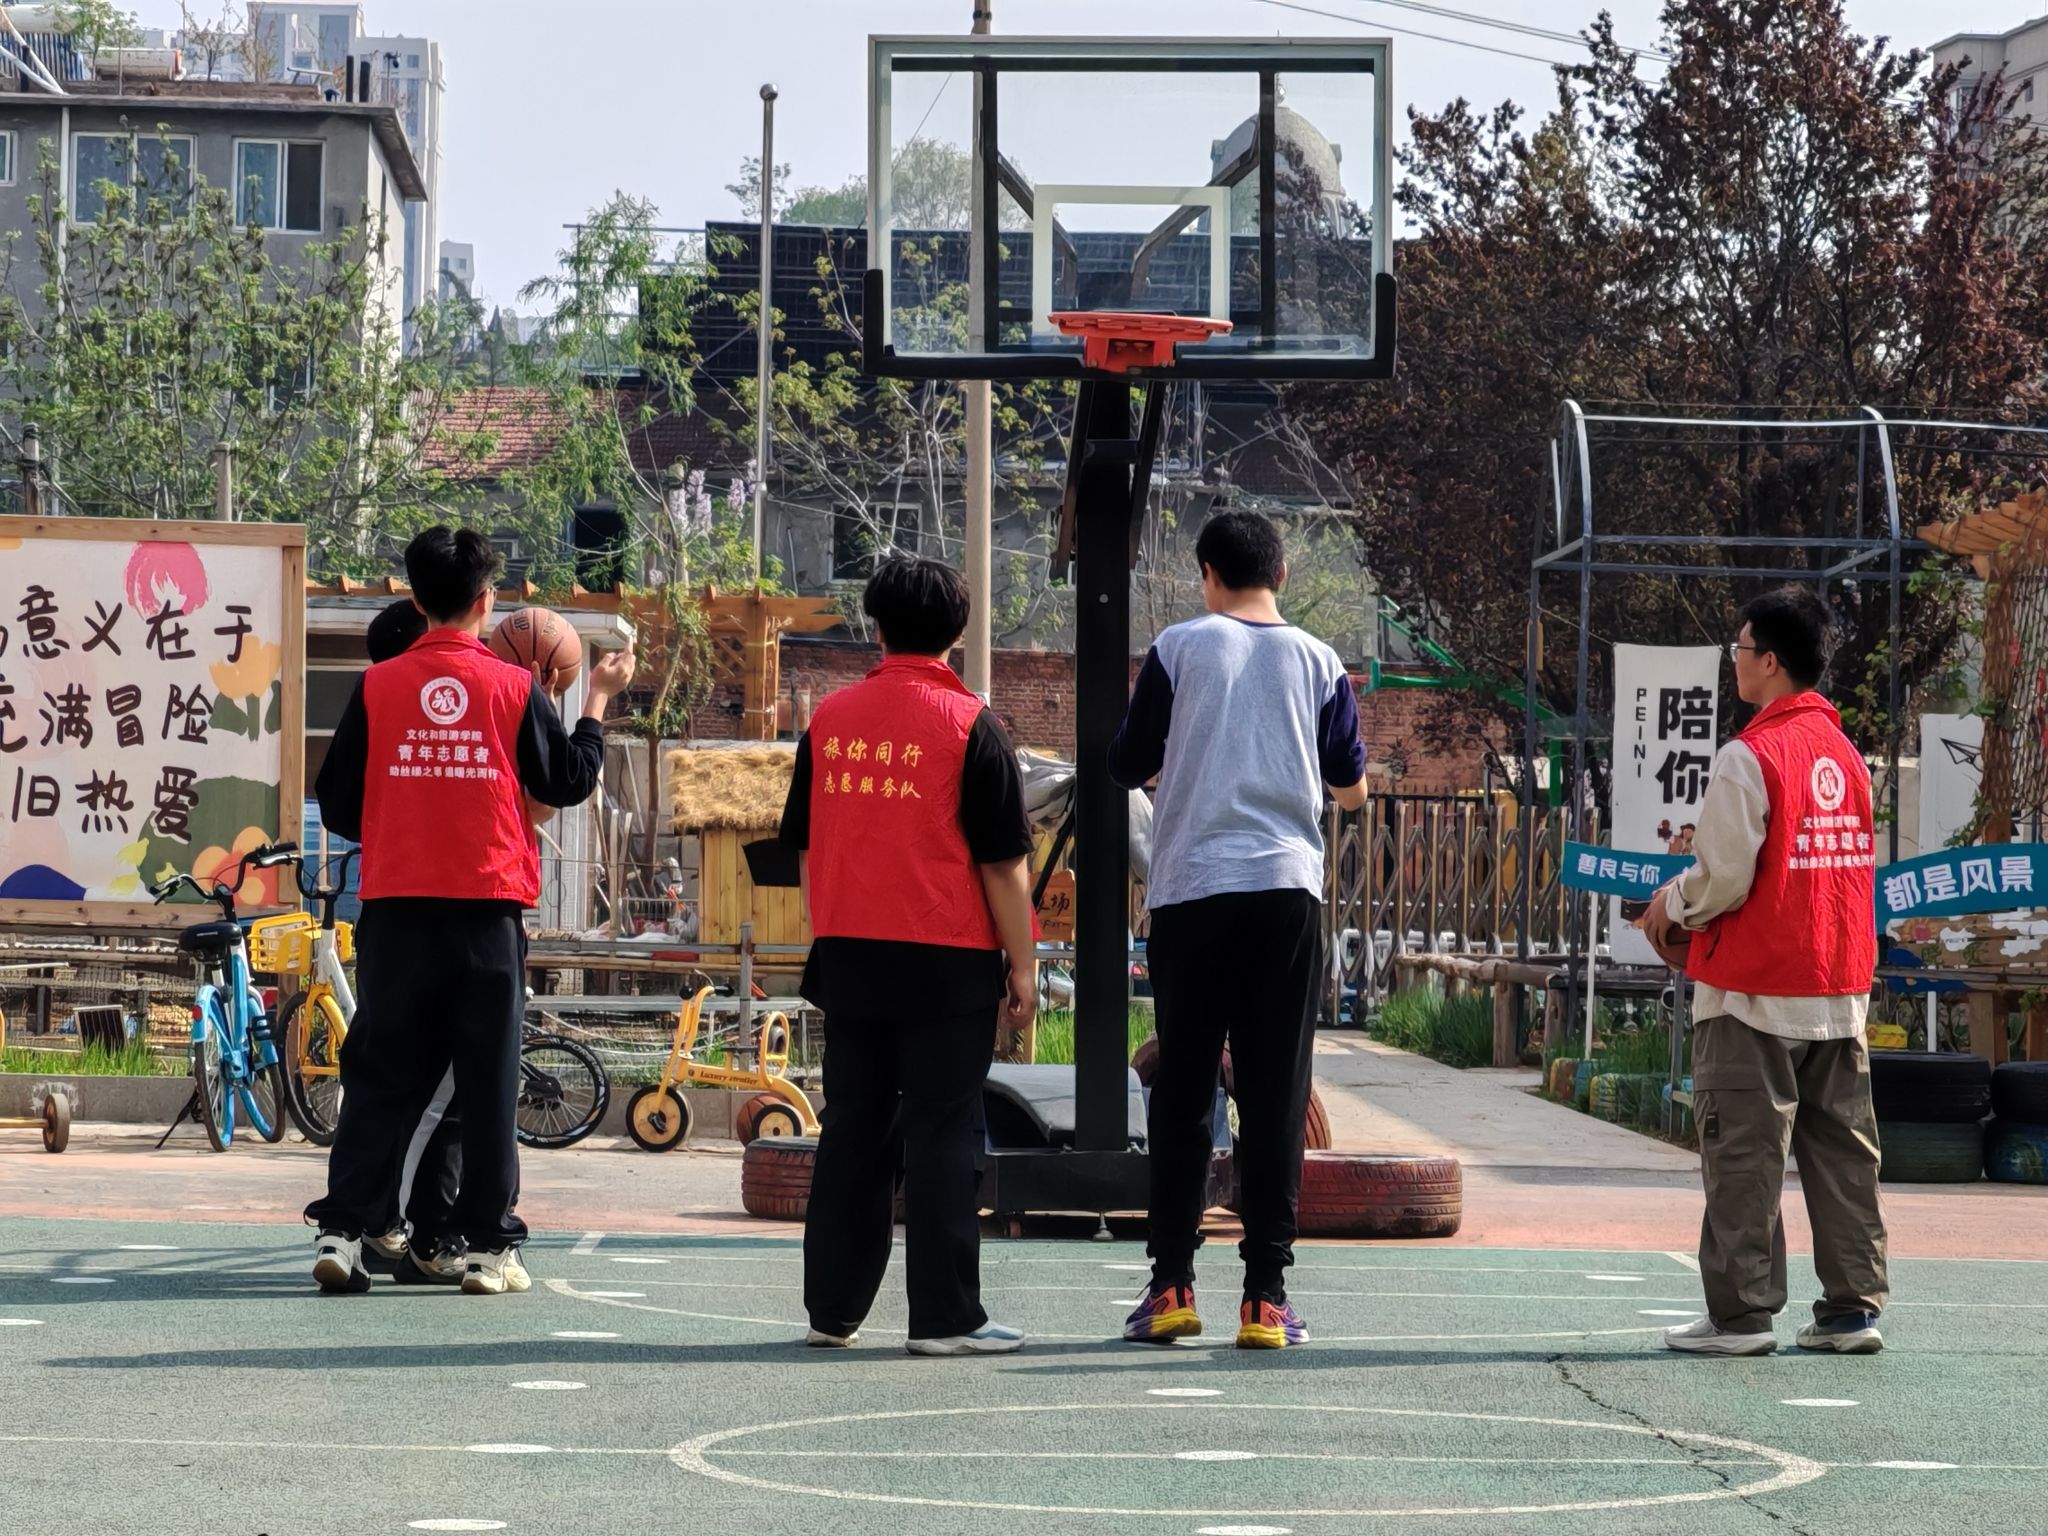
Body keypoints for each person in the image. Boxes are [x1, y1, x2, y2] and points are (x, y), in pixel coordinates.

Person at [304, 529, 634, 1296]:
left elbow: (340, 805)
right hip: (485, 911)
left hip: (397, 909)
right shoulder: (513, 688)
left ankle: (343, 1232)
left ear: (417, 600)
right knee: (487, 1083)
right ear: (487, 602)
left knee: (378, 1075)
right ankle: (487, 1247)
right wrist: (595, 701)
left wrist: (406, 809)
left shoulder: (378, 687)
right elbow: (568, 780)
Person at [1109, 510, 1367, 1350]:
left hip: (1192, 888)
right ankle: (1265, 1297)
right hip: (1285, 888)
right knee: (1274, 1092)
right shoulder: (1321, 661)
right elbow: (1350, 785)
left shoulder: (1179, 648)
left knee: (1184, 1089)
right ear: (1282, 574)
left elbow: (1126, 763)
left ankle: (1171, 1287)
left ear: (1207, 577)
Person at [778, 556, 1037, 1357]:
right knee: (941, 1133)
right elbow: (1002, 864)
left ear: (877, 626)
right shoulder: (972, 726)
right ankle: (944, 1317)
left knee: (852, 1129)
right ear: (959, 631)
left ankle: (833, 1310)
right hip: (946, 959)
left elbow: (805, 845)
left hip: (850, 954)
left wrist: (834, 923)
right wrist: (1024, 966)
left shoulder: (830, 720)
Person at [1641, 584, 1887, 1356]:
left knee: (1745, 1156)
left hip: (1753, 992)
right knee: (1844, 1158)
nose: (1736, 661)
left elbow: (1723, 879)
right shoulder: (1847, 756)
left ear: (1770, 661)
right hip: (1838, 985)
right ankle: (1852, 1311)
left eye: (1741, 649)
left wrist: (1670, 904)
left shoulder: (1749, 756)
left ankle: (1741, 1317)